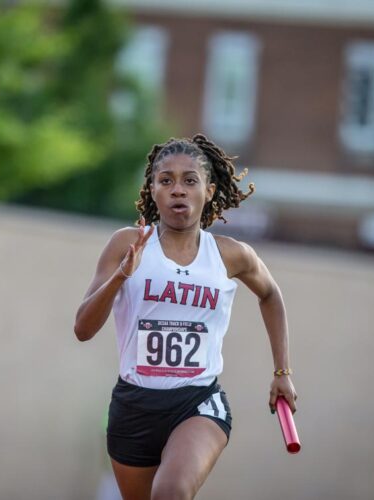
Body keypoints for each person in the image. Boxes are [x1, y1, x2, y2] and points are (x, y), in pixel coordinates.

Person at [74, 134, 298, 500]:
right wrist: (121, 276)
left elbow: (271, 294)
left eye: (189, 180)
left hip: (197, 402)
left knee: (171, 492)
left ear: (208, 191)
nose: (178, 189)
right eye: (166, 180)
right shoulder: (127, 245)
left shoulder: (231, 255)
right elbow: (83, 329)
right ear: (153, 189)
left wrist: (282, 373)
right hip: (133, 406)